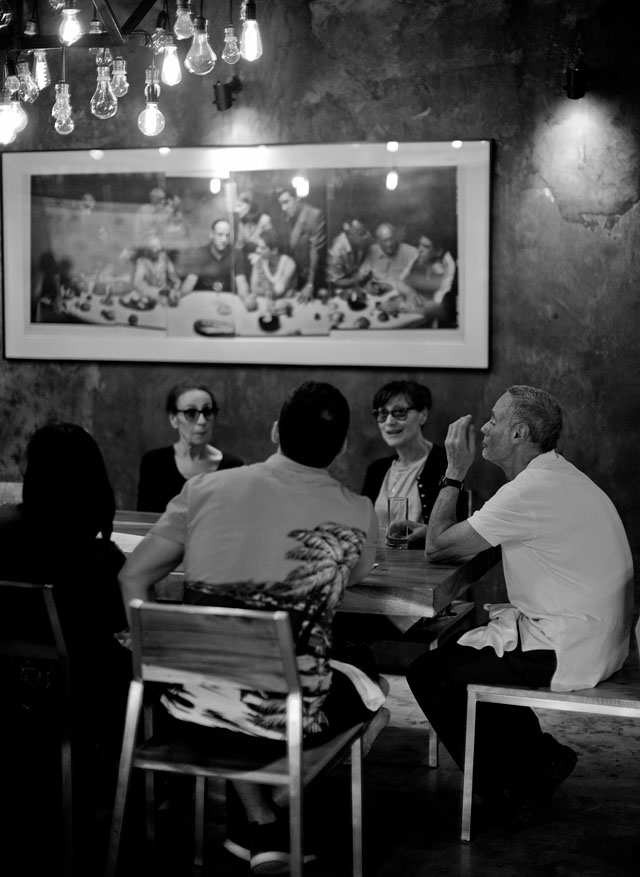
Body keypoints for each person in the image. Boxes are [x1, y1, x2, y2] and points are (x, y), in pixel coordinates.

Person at [120, 381, 384, 872]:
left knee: (246, 679)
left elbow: (133, 575)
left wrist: (152, 651)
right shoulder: (358, 513)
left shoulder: (204, 489)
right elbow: (358, 575)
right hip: (284, 720)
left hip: (187, 706)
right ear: (343, 446)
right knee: (374, 690)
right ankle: (282, 804)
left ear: (275, 431)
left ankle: (259, 826)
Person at [407, 385, 634, 826]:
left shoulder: (528, 491)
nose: (485, 428)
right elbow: (474, 543)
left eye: (494, 420)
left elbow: (438, 549)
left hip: (570, 646)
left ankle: (512, 789)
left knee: (431, 672)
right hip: (602, 636)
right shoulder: (553, 478)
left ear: (519, 433)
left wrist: (454, 471)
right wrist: (455, 536)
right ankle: (538, 759)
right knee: (468, 658)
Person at [0, 422, 130, 786]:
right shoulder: (99, 558)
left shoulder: (4, 529)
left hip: (10, 682)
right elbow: (119, 627)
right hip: (78, 693)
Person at [362, 380, 466, 549]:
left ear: (423, 414)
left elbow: (456, 529)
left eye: (400, 412)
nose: (389, 421)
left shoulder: (446, 463)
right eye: (382, 413)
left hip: (425, 567)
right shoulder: (377, 469)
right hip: (378, 565)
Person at [137, 381, 244, 513]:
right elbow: (144, 519)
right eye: (191, 413)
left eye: (207, 412)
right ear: (174, 419)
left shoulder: (232, 467)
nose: (202, 421)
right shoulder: (154, 463)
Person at [177, 218, 251, 304]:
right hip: (203, 302)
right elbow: (190, 281)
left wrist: (247, 299)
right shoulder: (200, 253)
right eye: (220, 235)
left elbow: (241, 282)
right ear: (211, 235)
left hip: (227, 301)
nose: (224, 239)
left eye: (227, 235)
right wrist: (178, 296)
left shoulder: (237, 254)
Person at [276, 185, 327, 302]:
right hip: (294, 276)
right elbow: (287, 249)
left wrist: (310, 284)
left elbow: (316, 251)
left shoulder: (315, 215)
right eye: (281, 204)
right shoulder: (285, 216)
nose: (284, 208)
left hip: (313, 277)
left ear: (297, 198)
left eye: (287, 202)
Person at [397, 234, 457, 326]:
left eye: (426, 247)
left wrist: (401, 307)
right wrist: (410, 292)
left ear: (439, 252)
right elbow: (400, 281)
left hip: (438, 319)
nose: (419, 249)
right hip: (417, 306)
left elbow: (438, 305)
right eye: (420, 245)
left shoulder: (448, 264)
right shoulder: (419, 253)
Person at [359, 222, 417, 289]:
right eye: (385, 241)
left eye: (391, 239)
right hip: (375, 293)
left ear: (396, 237)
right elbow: (362, 274)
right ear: (378, 241)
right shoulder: (372, 250)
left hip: (400, 294)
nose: (389, 244)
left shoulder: (411, 252)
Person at [248, 227, 298, 303]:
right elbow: (254, 289)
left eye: (262, 248)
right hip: (268, 303)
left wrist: (264, 289)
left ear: (274, 250)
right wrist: (274, 291)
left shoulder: (289, 264)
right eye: (258, 246)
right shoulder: (259, 261)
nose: (258, 250)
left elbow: (278, 291)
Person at [130, 234, 182, 305]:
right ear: (147, 250)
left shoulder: (164, 258)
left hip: (165, 299)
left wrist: (176, 286)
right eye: (154, 247)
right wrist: (155, 293)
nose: (158, 249)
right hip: (149, 299)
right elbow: (138, 283)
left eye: (158, 245)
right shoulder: (142, 262)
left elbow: (173, 276)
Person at [326, 218, 372, 293]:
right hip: (342, 290)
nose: (366, 236)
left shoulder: (365, 238)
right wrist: (357, 280)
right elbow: (335, 282)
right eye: (362, 234)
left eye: (366, 232)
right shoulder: (336, 251)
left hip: (362, 284)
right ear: (350, 235)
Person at [234, 189, 274, 256]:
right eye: (236, 206)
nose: (237, 210)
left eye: (240, 206)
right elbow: (239, 246)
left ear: (250, 205)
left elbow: (270, 245)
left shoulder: (264, 219)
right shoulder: (242, 224)